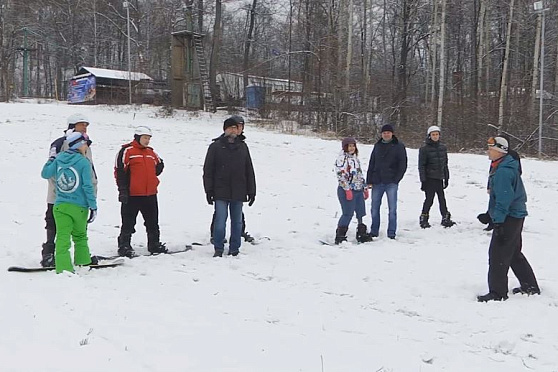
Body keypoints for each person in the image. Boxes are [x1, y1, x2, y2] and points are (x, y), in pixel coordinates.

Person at [477, 136, 540, 302]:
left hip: (509, 217)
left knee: (497, 255)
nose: (488, 151)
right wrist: (490, 214)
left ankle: (497, 293)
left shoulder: (504, 170)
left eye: (491, 149)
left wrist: (497, 221)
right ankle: (530, 286)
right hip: (514, 215)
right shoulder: (502, 166)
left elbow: (505, 198)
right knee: (512, 253)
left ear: (500, 151)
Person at [40, 113, 97, 267]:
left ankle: (82, 255)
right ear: (72, 125)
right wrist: (61, 187)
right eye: (81, 124)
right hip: (59, 192)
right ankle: (49, 253)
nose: (85, 127)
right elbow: (51, 168)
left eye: (86, 124)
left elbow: (89, 166)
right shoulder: (60, 143)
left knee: (78, 227)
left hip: (79, 193)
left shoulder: (85, 143)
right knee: (53, 223)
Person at [203, 117, 256, 257]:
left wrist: (252, 191)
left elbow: (249, 170)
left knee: (237, 222)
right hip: (220, 190)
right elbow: (208, 170)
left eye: (235, 128)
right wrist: (209, 190)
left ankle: (234, 248)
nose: (233, 130)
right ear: (225, 130)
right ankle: (218, 247)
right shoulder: (215, 147)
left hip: (239, 191)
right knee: (220, 221)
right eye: (230, 128)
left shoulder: (243, 147)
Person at [114, 126, 166, 257]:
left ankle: (154, 244)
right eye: (145, 138)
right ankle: (124, 245)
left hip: (150, 193)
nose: (147, 141)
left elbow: (159, 165)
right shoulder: (127, 151)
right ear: (137, 137)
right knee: (128, 222)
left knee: (152, 221)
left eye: (149, 138)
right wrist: (123, 190)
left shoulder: (151, 152)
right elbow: (119, 171)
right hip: (132, 194)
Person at [366, 124, 407, 239]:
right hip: (377, 182)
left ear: (392, 133)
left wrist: (396, 179)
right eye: (384, 133)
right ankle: (374, 231)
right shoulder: (377, 146)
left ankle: (391, 232)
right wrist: (369, 180)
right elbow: (372, 163)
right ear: (381, 134)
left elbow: (402, 164)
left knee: (392, 209)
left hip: (391, 182)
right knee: (374, 208)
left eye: (388, 132)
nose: (386, 134)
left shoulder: (398, 146)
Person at [334, 137, 372, 244]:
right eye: (349, 146)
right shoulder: (342, 159)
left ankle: (361, 233)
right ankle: (340, 235)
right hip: (347, 190)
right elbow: (341, 175)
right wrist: (347, 189)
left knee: (360, 212)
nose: (352, 148)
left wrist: (364, 188)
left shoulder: (355, 158)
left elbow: (359, 174)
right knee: (348, 213)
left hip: (358, 190)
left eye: (353, 146)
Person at [418, 125, 455, 228]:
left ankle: (445, 217)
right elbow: (421, 165)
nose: (435, 136)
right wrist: (423, 180)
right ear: (429, 136)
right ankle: (424, 217)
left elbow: (445, 164)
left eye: (437, 134)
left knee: (442, 198)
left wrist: (446, 177)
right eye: (433, 135)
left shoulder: (443, 148)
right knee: (429, 199)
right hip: (430, 178)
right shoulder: (424, 149)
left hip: (439, 178)